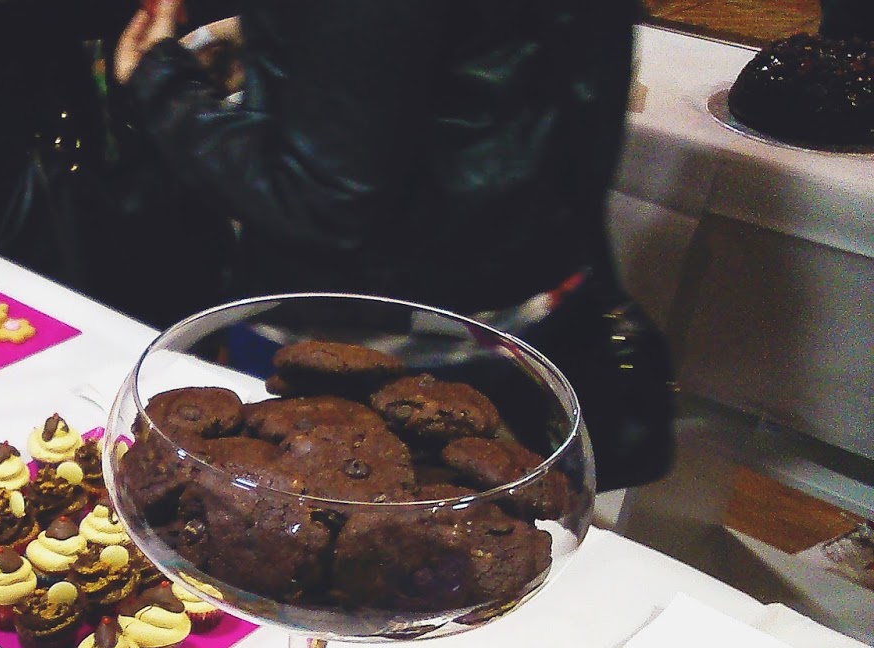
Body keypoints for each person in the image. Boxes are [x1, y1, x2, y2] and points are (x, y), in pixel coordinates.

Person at [111, 0, 676, 492]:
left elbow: (322, 200)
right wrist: (291, 57)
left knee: (344, 552)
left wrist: (161, 85)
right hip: (512, 312)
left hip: (378, 347)